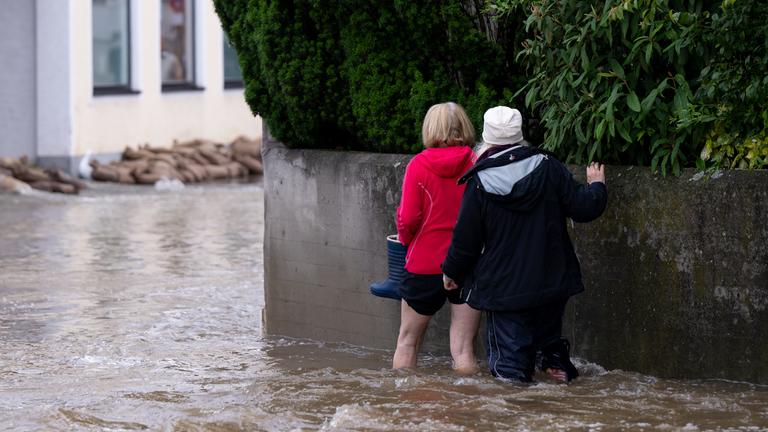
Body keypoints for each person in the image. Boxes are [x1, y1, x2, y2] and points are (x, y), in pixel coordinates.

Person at [441, 106, 607, 383]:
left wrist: (451, 272)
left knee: (511, 372)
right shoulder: (548, 166)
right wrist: (597, 186)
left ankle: (518, 413)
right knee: (548, 340)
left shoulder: (480, 181)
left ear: (486, 139)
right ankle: (556, 367)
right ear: (520, 136)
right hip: (551, 281)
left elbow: (465, 241)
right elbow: (584, 208)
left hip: (505, 290)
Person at [393, 102, 482, 374]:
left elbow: (408, 219)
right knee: (464, 350)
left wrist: (406, 243)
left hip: (424, 264)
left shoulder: (418, 165)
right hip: (468, 263)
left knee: (407, 343)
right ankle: (467, 408)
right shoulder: (477, 163)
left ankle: (403, 408)